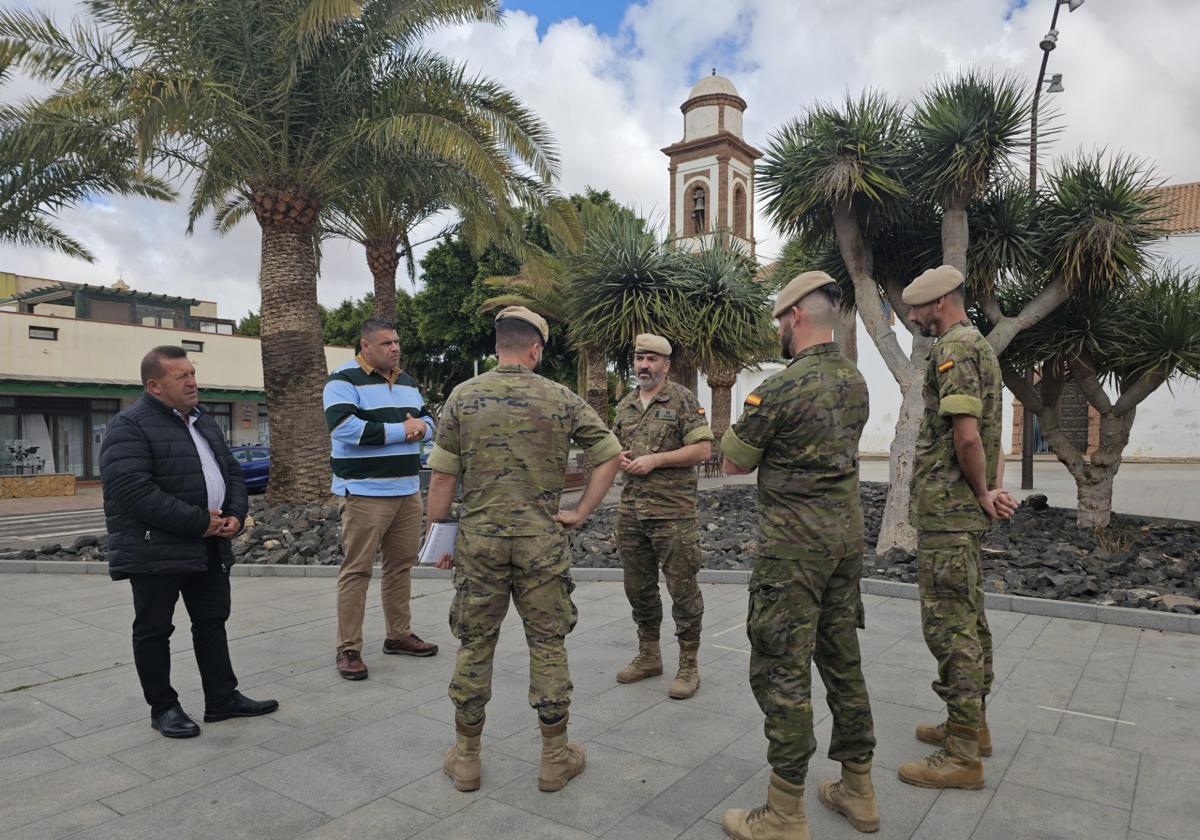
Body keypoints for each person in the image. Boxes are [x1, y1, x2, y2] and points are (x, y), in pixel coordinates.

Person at [426, 306, 621, 794]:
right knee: (548, 646)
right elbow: (610, 455)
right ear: (535, 349)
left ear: (499, 346)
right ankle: (554, 759)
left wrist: (439, 539)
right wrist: (579, 512)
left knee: (475, 645)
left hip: (480, 543)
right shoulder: (561, 398)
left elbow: (443, 478)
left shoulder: (463, 397)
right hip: (541, 543)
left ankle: (467, 759)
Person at [718, 273, 878, 839]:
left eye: (780, 321)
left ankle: (784, 814)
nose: (779, 331)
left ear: (794, 319)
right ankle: (858, 790)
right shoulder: (855, 380)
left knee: (782, 671)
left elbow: (733, 461)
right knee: (842, 660)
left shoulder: (780, 389)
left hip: (792, 555)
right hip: (844, 545)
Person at [100, 346, 278, 739]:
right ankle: (163, 707)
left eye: (192, 373)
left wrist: (233, 512)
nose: (193, 381)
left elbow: (230, 470)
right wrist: (200, 522)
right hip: (155, 548)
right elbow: (133, 491)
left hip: (209, 545)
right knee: (154, 629)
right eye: (181, 376)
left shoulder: (203, 421)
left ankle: (222, 698)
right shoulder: (128, 426)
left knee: (212, 621)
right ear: (154, 385)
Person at [898, 265, 1016, 790]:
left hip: (949, 512)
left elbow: (967, 436)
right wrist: (990, 487)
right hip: (957, 512)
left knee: (950, 626)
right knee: (969, 616)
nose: (911, 316)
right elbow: (993, 430)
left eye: (917, 308)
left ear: (942, 301)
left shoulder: (955, 349)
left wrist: (982, 490)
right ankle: (974, 726)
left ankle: (962, 755)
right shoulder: (979, 346)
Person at [323, 316, 439, 680]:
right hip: (364, 494)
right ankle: (349, 649)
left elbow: (429, 423)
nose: (396, 348)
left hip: (407, 491)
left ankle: (399, 635)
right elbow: (345, 429)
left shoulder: (406, 381)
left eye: (397, 341)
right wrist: (402, 430)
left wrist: (421, 427)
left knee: (400, 567)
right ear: (366, 346)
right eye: (387, 343)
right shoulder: (342, 381)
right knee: (357, 570)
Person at [611, 333, 713, 699]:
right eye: (639, 358)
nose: (644, 365)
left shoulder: (683, 400)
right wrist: (619, 458)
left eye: (652, 359)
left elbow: (702, 449)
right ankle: (649, 654)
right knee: (638, 588)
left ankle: (689, 664)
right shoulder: (625, 405)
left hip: (673, 514)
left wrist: (656, 460)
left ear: (666, 365)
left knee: (682, 589)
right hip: (632, 512)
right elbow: (613, 446)